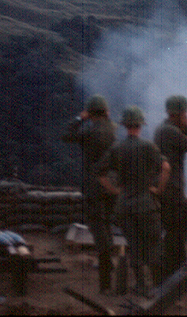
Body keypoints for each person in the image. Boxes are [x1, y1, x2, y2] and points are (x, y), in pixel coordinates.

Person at [96, 105, 170, 297]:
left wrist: (115, 191)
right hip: (146, 205)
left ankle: (141, 286)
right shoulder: (148, 147)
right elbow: (166, 168)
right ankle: (159, 290)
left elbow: (100, 173)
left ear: (125, 125)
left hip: (125, 207)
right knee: (154, 247)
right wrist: (158, 189)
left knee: (135, 247)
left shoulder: (116, 148)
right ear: (140, 125)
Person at [61, 95, 117, 293]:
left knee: (97, 225)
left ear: (91, 113)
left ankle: (105, 266)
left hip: (94, 184)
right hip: (112, 184)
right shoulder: (113, 129)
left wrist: (79, 118)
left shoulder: (90, 131)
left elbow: (66, 135)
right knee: (107, 222)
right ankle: (108, 260)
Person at [153, 95, 187, 278]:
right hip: (171, 189)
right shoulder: (170, 131)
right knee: (177, 229)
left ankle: (174, 269)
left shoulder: (162, 129)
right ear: (177, 114)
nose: (186, 116)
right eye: (185, 113)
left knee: (175, 228)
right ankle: (172, 271)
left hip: (168, 187)